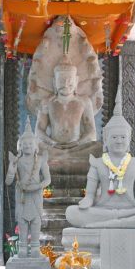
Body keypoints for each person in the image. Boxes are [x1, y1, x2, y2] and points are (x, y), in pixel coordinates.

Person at [66, 83, 135, 228]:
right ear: (106, 141)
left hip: (131, 210)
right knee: (71, 212)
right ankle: (122, 223)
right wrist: (86, 202)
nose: (119, 141)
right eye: (114, 137)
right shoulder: (97, 163)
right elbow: (89, 196)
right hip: (102, 211)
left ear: (128, 140)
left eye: (123, 137)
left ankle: (115, 223)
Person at [6, 117, 51, 257]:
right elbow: (8, 182)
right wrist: (11, 169)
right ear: (20, 146)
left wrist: (38, 186)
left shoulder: (41, 160)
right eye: (24, 144)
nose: (27, 146)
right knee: (23, 221)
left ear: (35, 145)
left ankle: (36, 246)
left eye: (30, 144)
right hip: (22, 196)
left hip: (36, 195)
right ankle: (23, 247)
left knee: (36, 221)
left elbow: (48, 179)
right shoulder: (17, 161)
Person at [36, 55, 96, 148]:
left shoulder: (84, 102)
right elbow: (39, 131)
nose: (65, 84)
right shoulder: (46, 102)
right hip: (53, 147)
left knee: (96, 148)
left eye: (70, 80)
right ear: (54, 82)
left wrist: (77, 143)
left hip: (77, 147)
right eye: (61, 80)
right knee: (36, 150)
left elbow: (91, 132)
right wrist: (53, 144)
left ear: (76, 81)